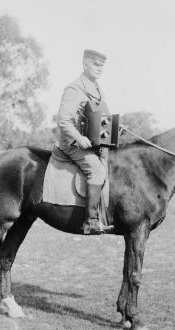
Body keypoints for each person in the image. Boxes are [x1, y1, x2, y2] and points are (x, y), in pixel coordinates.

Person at [56, 49, 115, 234]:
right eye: (96, 64)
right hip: (73, 144)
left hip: (94, 143)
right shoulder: (74, 88)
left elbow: (102, 117)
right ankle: (90, 221)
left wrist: (115, 128)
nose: (100, 69)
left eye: (102, 66)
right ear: (85, 64)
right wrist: (78, 138)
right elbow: (63, 120)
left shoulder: (97, 89)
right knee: (97, 170)